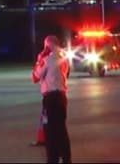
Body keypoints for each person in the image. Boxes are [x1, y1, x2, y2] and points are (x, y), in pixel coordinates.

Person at [32, 35, 71, 164]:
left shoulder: (47, 59)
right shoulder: (64, 57)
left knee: (50, 131)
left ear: (48, 45)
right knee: (61, 130)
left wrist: (39, 59)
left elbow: (35, 77)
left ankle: (52, 159)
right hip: (62, 96)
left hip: (51, 98)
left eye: (45, 46)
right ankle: (66, 159)